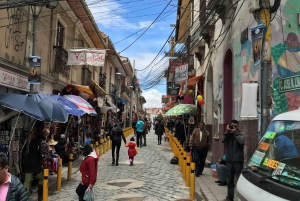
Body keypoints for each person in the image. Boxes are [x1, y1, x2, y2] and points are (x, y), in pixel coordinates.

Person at [24, 122, 53, 201]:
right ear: (46, 135)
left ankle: (23, 197)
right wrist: (51, 159)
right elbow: (43, 154)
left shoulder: (33, 140)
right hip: (36, 164)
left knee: (27, 181)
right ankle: (40, 196)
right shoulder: (42, 143)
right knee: (42, 178)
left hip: (28, 162)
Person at [221, 120, 244, 201]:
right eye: (232, 126)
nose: (234, 128)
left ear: (238, 127)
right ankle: (230, 197)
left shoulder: (240, 134)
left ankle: (240, 197)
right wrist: (227, 131)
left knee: (239, 180)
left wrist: (235, 133)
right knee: (230, 180)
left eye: (236, 126)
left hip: (238, 161)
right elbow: (222, 140)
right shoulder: (228, 134)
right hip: (229, 160)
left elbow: (242, 142)